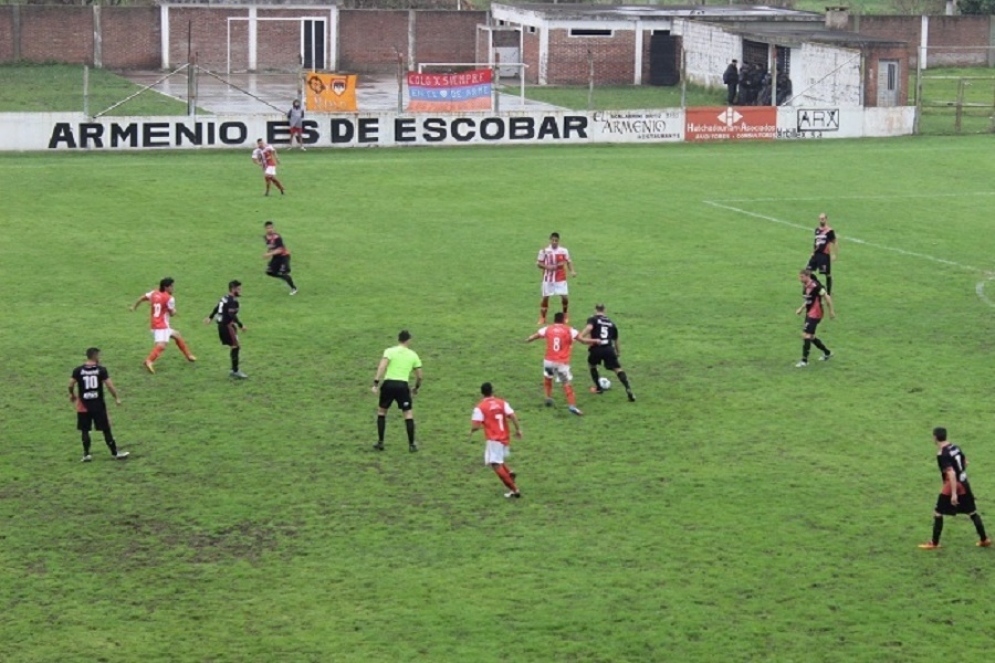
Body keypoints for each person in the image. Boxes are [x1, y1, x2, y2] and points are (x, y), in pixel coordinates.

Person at [918, 427, 991, 549]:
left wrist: (953, 493)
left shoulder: (942, 454)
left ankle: (934, 543)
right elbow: (965, 462)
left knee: (938, 512)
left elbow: (951, 473)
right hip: (964, 482)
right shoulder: (955, 447)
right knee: (972, 512)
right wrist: (960, 472)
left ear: (935, 437)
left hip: (952, 484)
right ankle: (984, 539)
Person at [69, 347, 129, 462]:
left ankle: (86, 455)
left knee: (85, 430)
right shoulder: (101, 370)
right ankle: (115, 453)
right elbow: (109, 385)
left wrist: (72, 394)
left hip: (83, 405)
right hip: (98, 405)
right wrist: (116, 397)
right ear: (95, 356)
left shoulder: (78, 370)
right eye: (99, 355)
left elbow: (70, 384)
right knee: (106, 429)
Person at [525, 311, 589, 415]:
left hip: (548, 361)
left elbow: (535, 336)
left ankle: (548, 397)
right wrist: (595, 341)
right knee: (566, 383)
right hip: (561, 362)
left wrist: (528, 339)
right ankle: (572, 406)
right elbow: (582, 340)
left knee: (548, 378)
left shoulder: (548, 328)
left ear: (554, 320)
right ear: (563, 320)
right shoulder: (569, 330)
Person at [129, 276, 196, 374]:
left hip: (154, 323)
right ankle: (149, 361)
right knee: (162, 345)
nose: (173, 288)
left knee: (177, 335)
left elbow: (142, 298)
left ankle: (189, 356)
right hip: (161, 325)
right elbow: (171, 313)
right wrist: (174, 311)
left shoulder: (154, 293)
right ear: (166, 287)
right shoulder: (170, 298)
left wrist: (134, 306)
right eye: (171, 286)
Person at [469, 382, 523, 499]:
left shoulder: (480, 407)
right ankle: (509, 473)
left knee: (495, 464)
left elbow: (476, 426)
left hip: (494, 439)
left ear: (482, 393)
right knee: (498, 459)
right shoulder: (502, 403)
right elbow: (513, 416)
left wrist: (471, 430)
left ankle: (514, 489)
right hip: (505, 437)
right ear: (492, 391)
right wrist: (518, 430)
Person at [371, 330, 422, 452]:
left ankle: (380, 442)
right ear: (408, 340)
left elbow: (382, 366)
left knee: (382, 412)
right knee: (408, 414)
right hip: (402, 386)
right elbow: (420, 376)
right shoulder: (413, 355)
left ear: (398, 339)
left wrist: (376, 383)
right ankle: (411, 445)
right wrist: (416, 388)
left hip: (388, 384)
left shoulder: (389, 351)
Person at [579, 303, 635, 402]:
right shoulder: (611, 323)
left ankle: (599, 388)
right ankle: (628, 389)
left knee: (592, 365)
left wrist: (581, 336)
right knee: (618, 369)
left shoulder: (593, 319)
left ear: (596, 310)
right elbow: (616, 340)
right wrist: (618, 352)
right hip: (609, 349)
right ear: (605, 310)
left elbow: (589, 328)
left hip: (596, 348)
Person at [204, 280, 247, 379]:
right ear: (233, 289)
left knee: (234, 346)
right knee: (236, 347)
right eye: (238, 289)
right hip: (227, 326)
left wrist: (210, 317)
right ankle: (235, 371)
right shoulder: (233, 301)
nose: (240, 291)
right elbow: (232, 315)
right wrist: (241, 325)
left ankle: (234, 370)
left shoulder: (225, 298)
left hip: (222, 326)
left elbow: (217, 307)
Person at [795, 269, 835, 368]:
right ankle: (827, 352)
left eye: (802, 277)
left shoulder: (816, 286)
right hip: (810, 313)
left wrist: (831, 311)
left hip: (816, 313)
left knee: (806, 335)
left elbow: (827, 297)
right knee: (811, 337)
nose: (800, 279)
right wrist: (801, 308)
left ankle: (804, 361)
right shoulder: (806, 286)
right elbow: (809, 299)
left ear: (807, 276)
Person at [536, 232, 577, 325]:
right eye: (553, 240)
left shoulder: (563, 251)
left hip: (560, 278)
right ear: (550, 240)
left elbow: (568, 261)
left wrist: (572, 271)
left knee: (564, 297)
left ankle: (565, 314)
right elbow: (538, 263)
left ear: (558, 241)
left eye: (556, 240)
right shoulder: (544, 251)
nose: (554, 242)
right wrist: (547, 267)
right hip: (548, 278)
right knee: (545, 298)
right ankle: (543, 317)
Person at [806, 213, 838, 295]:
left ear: (826, 219)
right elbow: (816, 242)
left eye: (823, 219)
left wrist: (834, 254)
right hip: (816, 255)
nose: (821, 220)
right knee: (807, 271)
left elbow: (834, 242)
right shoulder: (817, 230)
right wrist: (813, 252)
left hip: (824, 255)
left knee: (827, 274)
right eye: (820, 219)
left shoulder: (829, 231)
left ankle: (828, 293)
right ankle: (820, 287)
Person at [263, 220, 298, 295]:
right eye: (268, 228)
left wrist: (269, 254)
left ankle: (294, 288)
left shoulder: (277, 237)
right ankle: (284, 277)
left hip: (284, 256)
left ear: (273, 228)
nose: (270, 229)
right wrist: (268, 252)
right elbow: (270, 246)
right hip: (276, 257)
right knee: (269, 272)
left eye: (271, 228)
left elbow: (280, 250)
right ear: (265, 229)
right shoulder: (266, 237)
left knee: (283, 273)